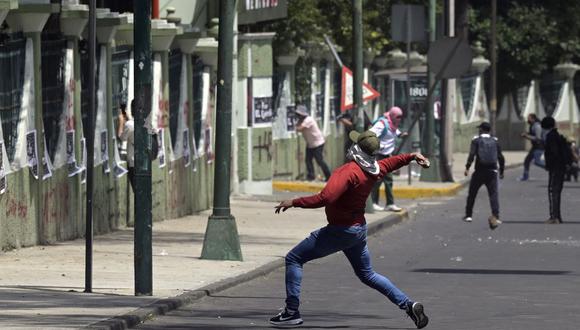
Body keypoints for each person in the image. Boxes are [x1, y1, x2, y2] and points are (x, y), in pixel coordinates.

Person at [270, 130, 430, 329]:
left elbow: (325, 198)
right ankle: (409, 305)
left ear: (356, 149)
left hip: (340, 230)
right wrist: (412, 156)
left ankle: (291, 312)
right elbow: (392, 162)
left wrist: (294, 201)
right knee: (368, 274)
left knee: (294, 258)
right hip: (357, 230)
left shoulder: (348, 171)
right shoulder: (374, 169)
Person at [463, 122, 505, 230]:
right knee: (493, 195)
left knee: (472, 193)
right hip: (492, 171)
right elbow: (501, 157)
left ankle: (468, 215)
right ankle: (496, 215)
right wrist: (501, 171)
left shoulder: (476, 140)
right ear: (490, 130)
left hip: (479, 171)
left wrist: (467, 167)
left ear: (481, 130)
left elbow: (472, 155)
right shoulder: (495, 141)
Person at [369, 106, 408, 212]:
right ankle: (373, 202)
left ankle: (390, 203)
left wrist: (401, 135)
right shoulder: (382, 124)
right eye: (398, 117)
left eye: (401, 117)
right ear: (392, 116)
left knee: (388, 180)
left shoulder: (393, 125)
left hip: (387, 156)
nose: (399, 119)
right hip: (378, 156)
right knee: (378, 180)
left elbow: (395, 132)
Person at [542, 117, 573, 224]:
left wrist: (550, 164)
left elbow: (554, 152)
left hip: (555, 167)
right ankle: (557, 216)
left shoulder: (550, 136)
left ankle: (554, 216)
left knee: (552, 191)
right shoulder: (557, 135)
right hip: (561, 167)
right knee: (557, 192)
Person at [295, 105, 331, 181]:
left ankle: (329, 176)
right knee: (308, 160)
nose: (298, 116)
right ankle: (311, 176)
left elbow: (300, 128)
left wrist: (297, 126)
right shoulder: (302, 121)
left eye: (299, 115)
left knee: (319, 160)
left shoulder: (308, 120)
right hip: (310, 144)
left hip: (318, 143)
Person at [519, 113, 545, 181]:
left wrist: (526, 136)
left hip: (539, 147)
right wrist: (527, 134)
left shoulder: (537, 126)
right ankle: (525, 176)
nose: (528, 120)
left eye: (529, 118)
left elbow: (538, 138)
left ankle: (552, 168)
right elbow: (532, 134)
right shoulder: (532, 126)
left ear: (533, 119)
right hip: (535, 147)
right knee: (527, 161)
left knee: (537, 162)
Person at [117, 101, 135, 190]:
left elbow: (121, 137)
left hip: (133, 164)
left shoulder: (130, 125)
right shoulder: (147, 123)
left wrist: (121, 122)